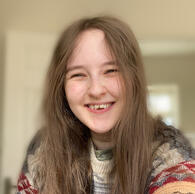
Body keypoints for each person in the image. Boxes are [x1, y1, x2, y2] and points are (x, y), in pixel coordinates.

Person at [16, 16, 195, 194]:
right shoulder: (43, 147)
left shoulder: (170, 151)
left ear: (133, 79)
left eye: (111, 71)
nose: (95, 90)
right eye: (78, 74)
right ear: (61, 87)